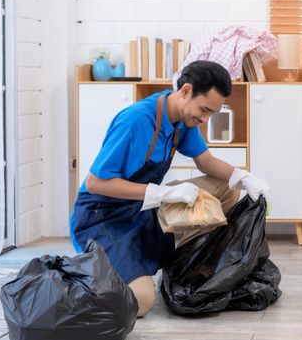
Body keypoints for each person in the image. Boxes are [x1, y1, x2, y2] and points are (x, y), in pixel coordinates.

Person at [70, 60, 270, 316]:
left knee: (227, 188)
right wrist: (161, 193)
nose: (205, 119)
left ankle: (185, 262)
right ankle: (91, 265)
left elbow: (205, 162)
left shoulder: (182, 121)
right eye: (204, 110)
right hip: (103, 217)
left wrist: (245, 178)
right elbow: (95, 183)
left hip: (142, 209)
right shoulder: (135, 121)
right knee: (141, 303)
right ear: (186, 91)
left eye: (212, 113)